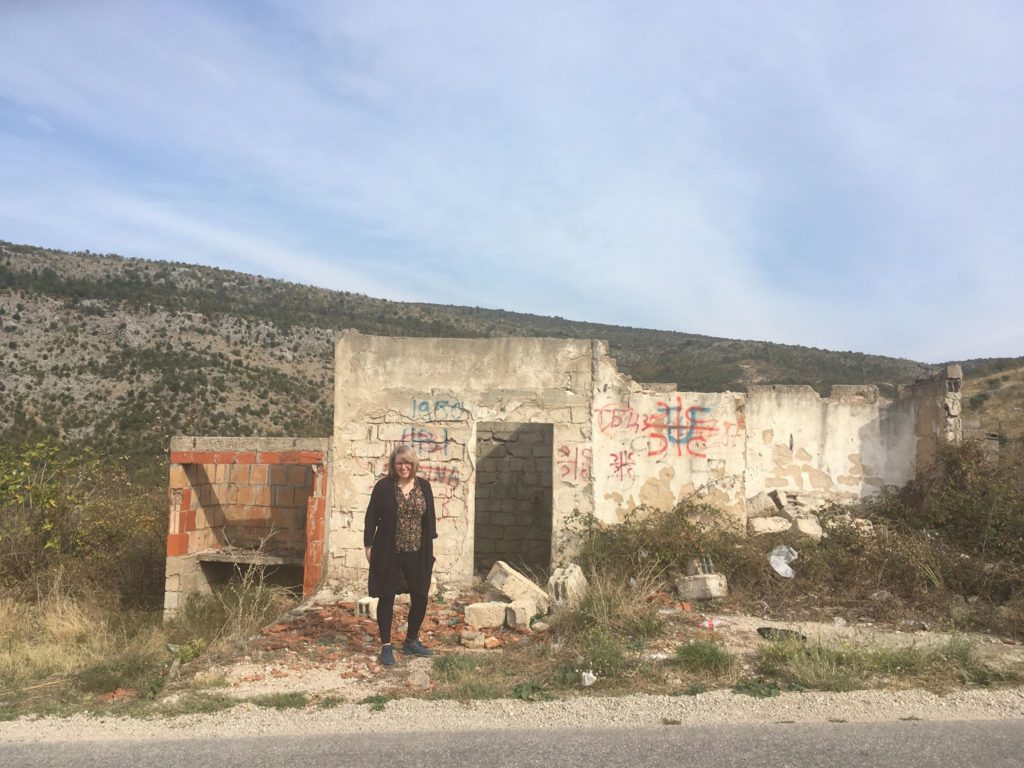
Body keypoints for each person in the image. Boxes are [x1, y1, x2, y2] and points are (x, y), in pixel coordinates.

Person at [363, 445, 437, 666]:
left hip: (417, 550)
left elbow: (429, 518)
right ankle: (386, 646)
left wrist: (429, 548)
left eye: (407, 463)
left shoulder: (424, 486)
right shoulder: (383, 487)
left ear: (413, 464)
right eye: (399, 463)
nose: (403, 467)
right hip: (389, 551)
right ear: (393, 465)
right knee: (387, 597)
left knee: (420, 595)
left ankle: (411, 640)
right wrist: (368, 546)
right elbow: (371, 518)